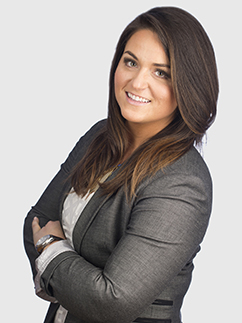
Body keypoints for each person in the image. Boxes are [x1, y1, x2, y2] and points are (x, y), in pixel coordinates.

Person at [24, 6, 219, 323]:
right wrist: (73, 281)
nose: (137, 82)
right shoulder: (99, 136)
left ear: (189, 85)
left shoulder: (182, 183)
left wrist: (50, 249)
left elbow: (112, 303)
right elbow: (35, 220)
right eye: (131, 62)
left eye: (161, 72)